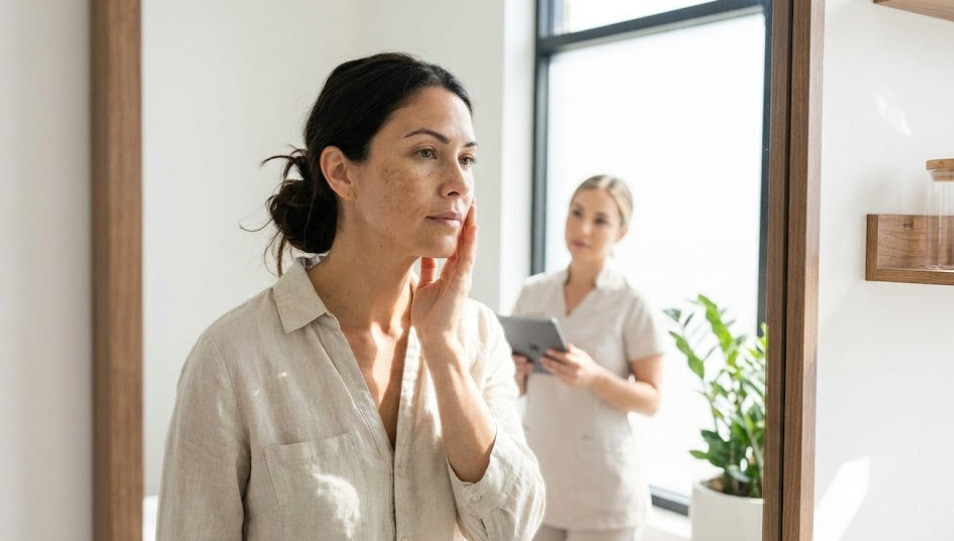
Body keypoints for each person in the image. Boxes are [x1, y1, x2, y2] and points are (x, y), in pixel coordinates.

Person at [156, 52, 545, 541]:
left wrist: (443, 350)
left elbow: (510, 528)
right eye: (427, 153)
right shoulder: (233, 357)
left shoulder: (477, 335)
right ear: (341, 172)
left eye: (466, 158)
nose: (459, 183)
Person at [511, 175, 667, 541]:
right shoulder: (534, 292)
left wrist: (594, 377)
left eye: (600, 220)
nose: (582, 228)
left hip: (604, 493)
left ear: (621, 232)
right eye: (576, 212)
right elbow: (512, 386)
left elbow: (652, 400)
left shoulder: (632, 303)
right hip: (542, 477)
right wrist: (515, 372)